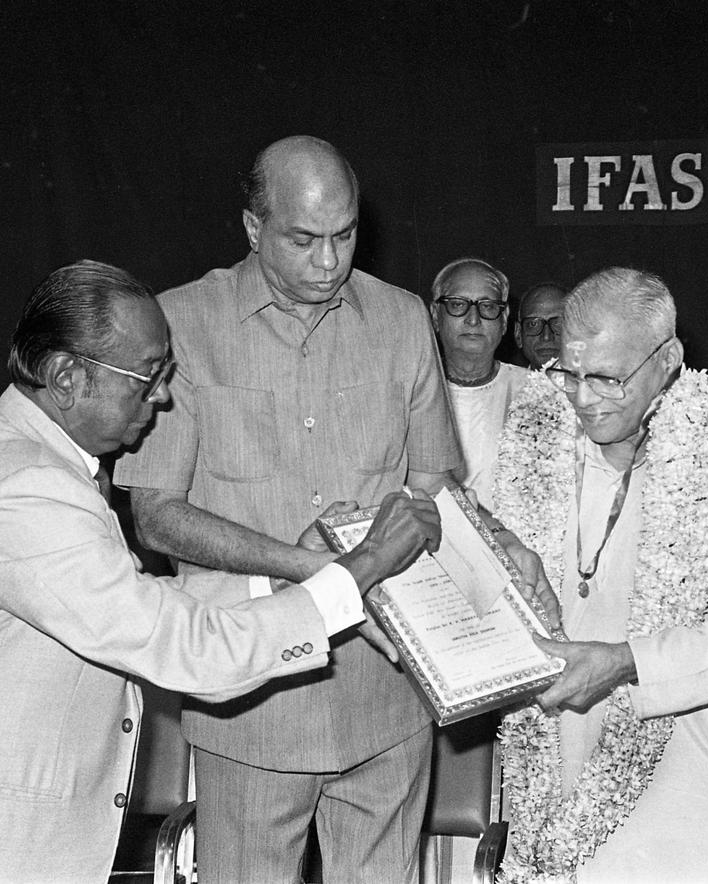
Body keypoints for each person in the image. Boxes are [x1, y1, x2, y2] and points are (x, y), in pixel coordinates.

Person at [0, 259, 438, 884]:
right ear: (67, 377)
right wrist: (361, 568)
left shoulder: (36, 462)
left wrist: (287, 581)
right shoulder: (21, 488)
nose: (163, 396)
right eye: (147, 377)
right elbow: (186, 649)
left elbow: (140, 604)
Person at [118, 135, 549, 884]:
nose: (329, 261)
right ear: (253, 229)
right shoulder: (180, 325)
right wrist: (325, 573)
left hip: (388, 699)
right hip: (252, 704)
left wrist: (506, 548)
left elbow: (434, 483)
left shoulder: (402, 317)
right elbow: (155, 514)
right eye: (304, 239)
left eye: (344, 236)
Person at [491, 267, 708, 882]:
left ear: (668, 360)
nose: (584, 398)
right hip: (551, 787)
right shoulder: (533, 459)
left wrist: (627, 661)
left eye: (608, 378)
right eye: (570, 372)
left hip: (688, 801)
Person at [430, 257, 530, 515]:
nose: (473, 319)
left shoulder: (536, 392)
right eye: (457, 305)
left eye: (487, 306)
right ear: (435, 315)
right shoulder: (411, 389)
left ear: (504, 319)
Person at [514, 281, 567, 369]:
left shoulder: (594, 382)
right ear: (518, 335)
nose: (546, 337)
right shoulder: (507, 382)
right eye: (533, 324)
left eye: (558, 323)